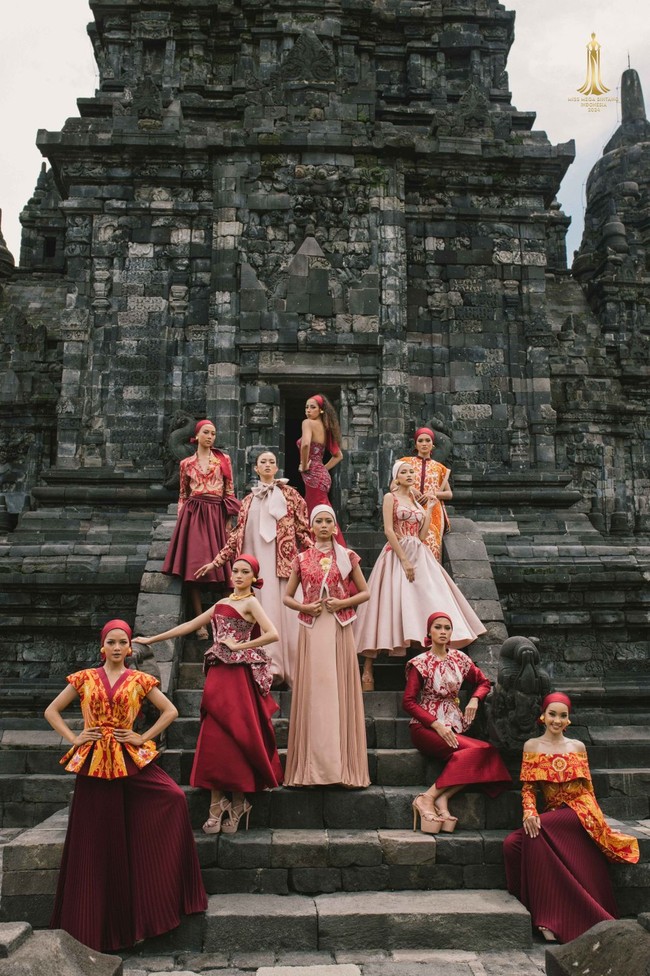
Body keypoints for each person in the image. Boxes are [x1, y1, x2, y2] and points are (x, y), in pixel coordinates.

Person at [45, 619, 207, 953]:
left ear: (130, 647)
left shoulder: (139, 680)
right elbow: (52, 711)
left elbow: (170, 711)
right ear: (102, 646)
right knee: (95, 841)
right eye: (111, 642)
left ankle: (158, 904)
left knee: (174, 797)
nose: (117, 648)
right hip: (93, 764)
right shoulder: (85, 678)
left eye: (123, 642)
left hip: (129, 758)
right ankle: (91, 927)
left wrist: (142, 737)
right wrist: (75, 738)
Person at [136, 556, 282, 834]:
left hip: (239, 677)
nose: (238, 576)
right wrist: (151, 639)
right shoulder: (220, 604)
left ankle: (239, 802)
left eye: (245, 572)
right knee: (214, 732)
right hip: (217, 674)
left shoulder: (251, 603)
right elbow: (188, 626)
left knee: (239, 732)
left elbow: (273, 634)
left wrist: (239, 646)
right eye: (235, 571)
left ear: (253, 578)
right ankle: (217, 802)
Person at [503, 692, 639, 944]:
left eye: (563, 715)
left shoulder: (577, 747)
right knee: (512, 844)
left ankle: (547, 918)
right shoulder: (532, 746)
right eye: (552, 714)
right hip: (554, 812)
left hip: (580, 809)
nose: (557, 720)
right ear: (542, 716)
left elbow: (587, 789)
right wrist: (529, 811)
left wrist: (597, 823)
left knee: (538, 830)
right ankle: (527, 903)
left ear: (568, 720)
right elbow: (528, 789)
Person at [355, 461, 486, 691]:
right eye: (403, 472)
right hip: (397, 553)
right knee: (383, 608)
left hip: (419, 550)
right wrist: (404, 560)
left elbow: (423, 533)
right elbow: (388, 530)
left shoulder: (416, 501)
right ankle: (368, 667)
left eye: (411, 472)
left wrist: (428, 510)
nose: (409, 475)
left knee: (424, 603)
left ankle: (421, 668)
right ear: (396, 477)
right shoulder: (390, 498)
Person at [195, 450, 313, 686]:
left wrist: (316, 556)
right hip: (254, 567)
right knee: (260, 609)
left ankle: (289, 666)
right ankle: (266, 663)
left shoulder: (291, 496)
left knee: (284, 611)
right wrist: (216, 562)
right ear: (256, 469)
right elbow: (235, 536)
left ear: (277, 467)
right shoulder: (248, 500)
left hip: (281, 564)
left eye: (271, 461)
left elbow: (303, 530)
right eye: (263, 462)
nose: (267, 465)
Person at [283, 505, 370, 788]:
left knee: (337, 689)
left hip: (338, 626)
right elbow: (287, 597)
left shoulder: (347, 557)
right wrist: (305, 605)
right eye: (318, 521)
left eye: (328, 521)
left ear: (335, 527)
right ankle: (311, 768)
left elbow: (365, 592)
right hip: (311, 627)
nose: (323, 525)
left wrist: (342, 603)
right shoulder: (302, 558)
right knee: (315, 690)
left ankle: (341, 768)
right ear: (311, 526)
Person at [404, 612, 511, 834]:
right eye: (438, 627)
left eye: (447, 628)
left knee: (484, 752)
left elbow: (483, 682)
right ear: (429, 632)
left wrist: (474, 699)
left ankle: (440, 798)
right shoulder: (419, 663)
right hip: (425, 727)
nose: (443, 632)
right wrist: (435, 725)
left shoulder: (460, 659)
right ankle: (427, 799)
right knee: (480, 753)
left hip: (455, 723)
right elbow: (408, 702)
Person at [162, 419, 240, 638]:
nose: (210, 437)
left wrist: (229, 519)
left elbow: (230, 491)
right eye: (206, 432)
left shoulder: (223, 459)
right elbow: (183, 494)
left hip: (217, 512)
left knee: (225, 567)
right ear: (196, 436)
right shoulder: (186, 463)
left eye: (213, 433)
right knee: (193, 567)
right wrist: (181, 521)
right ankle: (199, 624)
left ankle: (223, 622)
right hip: (194, 514)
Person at [398, 426, 451, 562]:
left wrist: (433, 494)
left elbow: (449, 494)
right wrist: (410, 489)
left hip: (433, 511)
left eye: (427, 440)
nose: (424, 443)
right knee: (409, 547)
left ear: (432, 445)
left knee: (431, 549)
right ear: (416, 444)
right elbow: (393, 485)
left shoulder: (440, 468)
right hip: (409, 509)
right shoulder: (405, 463)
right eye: (420, 441)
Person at [297, 394, 345, 544]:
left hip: (313, 475)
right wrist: (322, 469)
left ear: (321, 410)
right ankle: (328, 549)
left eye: (312, 407)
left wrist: (304, 465)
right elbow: (338, 456)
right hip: (321, 476)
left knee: (315, 512)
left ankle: (327, 550)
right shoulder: (326, 428)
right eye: (306, 407)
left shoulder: (307, 423)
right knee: (322, 511)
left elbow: (305, 444)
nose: (308, 410)